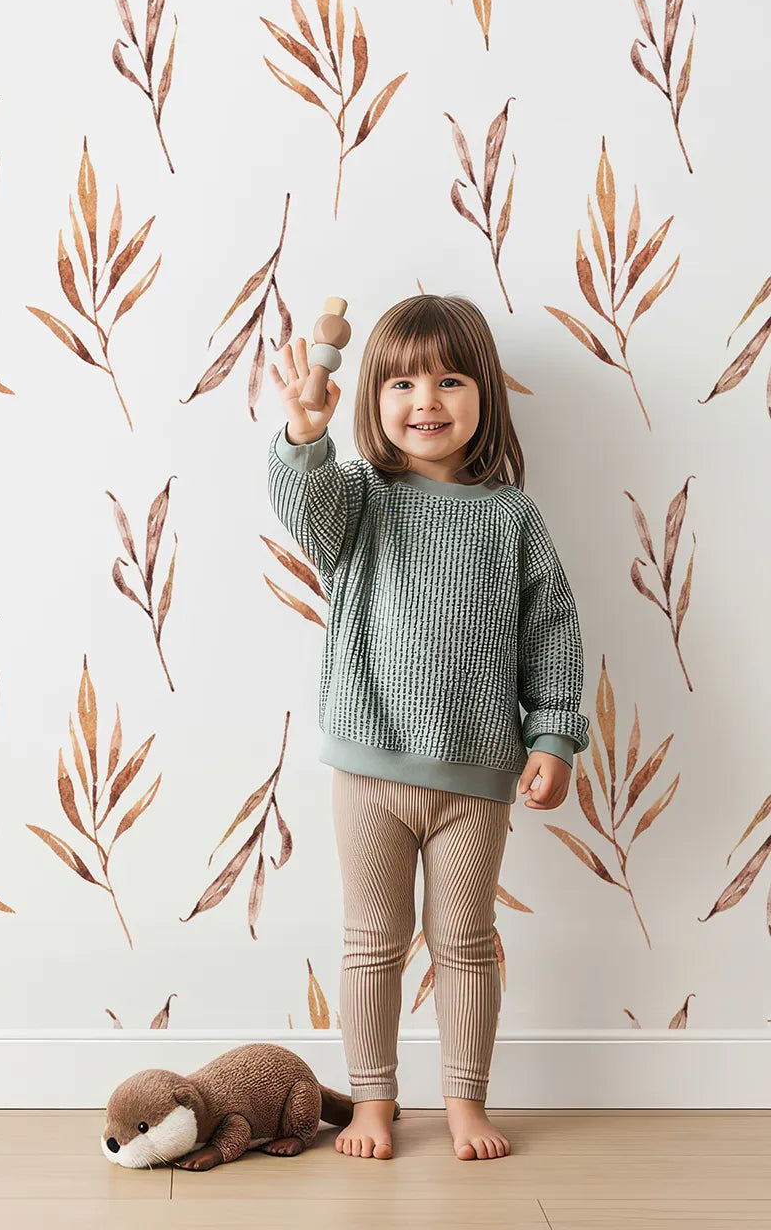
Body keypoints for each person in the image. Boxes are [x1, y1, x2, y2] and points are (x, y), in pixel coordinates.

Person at [266, 292, 590, 1161]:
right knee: (373, 943)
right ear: (371, 396)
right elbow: (303, 512)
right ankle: (373, 1104)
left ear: (484, 393)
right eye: (403, 382)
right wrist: (304, 435)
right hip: (369, 770)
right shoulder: (359, 499)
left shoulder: (512, 517)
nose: (427, 400)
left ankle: (464, 1102)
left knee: (466, 945)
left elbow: (553, 632)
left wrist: (554, 737)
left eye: (450, 379)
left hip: (475, 779)